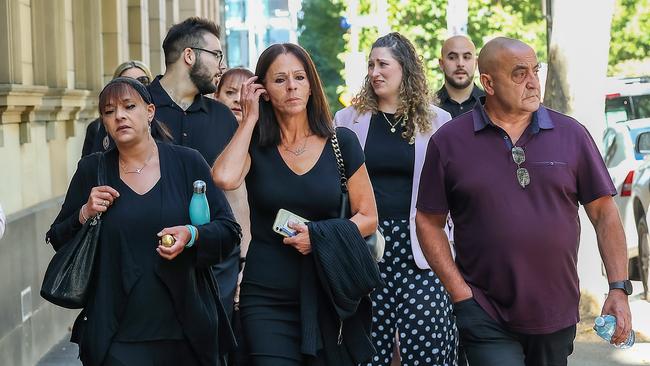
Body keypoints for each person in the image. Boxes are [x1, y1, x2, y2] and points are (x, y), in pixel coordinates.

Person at [416, 37, 632, 366]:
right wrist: (459, 292)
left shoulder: (571, 135)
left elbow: (604, 214)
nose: (533, 82)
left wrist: (618, 288)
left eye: (535, 70)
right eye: (519, 73)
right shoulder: (449, 141)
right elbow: (427, 221)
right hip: (484, 309)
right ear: (487, 82)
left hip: (555, 311)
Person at [46, 77, 241, 365]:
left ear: (149, 111)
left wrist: (191, 234)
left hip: (184, 330)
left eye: (128, 106)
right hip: (116, 334)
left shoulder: (188, 163)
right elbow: (58, 237)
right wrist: (84, 212)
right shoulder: (93, 170)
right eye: (109, 111)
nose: (119, 116)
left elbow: (228, 230)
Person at [212, 43, 380, 365]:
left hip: (329, 290)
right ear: (262, 90)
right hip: (266, 296)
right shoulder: (257, 145)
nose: (291, 86)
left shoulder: (341, 142)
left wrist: (318, 236)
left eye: (299, 77)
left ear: (311, 84)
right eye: (279, 80)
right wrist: (249, 120)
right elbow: (223, 177)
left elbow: (369, 217)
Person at [334, 32, 457, 366]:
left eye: (383, 64)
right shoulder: (347, 121)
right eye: (371, 64)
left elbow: (452, 193)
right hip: (367, 246)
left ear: (405, 69)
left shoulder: (438, 122)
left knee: (428, 344)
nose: (375, 71)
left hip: (422, 246)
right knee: (370, 350)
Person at [149, 17, 241, 323]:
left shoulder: (223, 117)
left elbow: (236, 197)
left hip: (213, 269)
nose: (221, 66)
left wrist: (239, 261)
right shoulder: (137, 109)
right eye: (216, 55)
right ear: (190, 55)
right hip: (150, 265)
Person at [214, 67, 255, 365]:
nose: (238, 100)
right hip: (218, 262)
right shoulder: (209, 143)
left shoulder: (265, 141)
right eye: (230, 92)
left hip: (257, 262)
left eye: (245, 94)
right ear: (215, 96)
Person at [82, 60, 153, 156]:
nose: (134, 87)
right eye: (126, 83)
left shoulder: (166, 122)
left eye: (142, 81)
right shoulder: (96, 128)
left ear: (150, 111)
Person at [436, 35, 484, 118]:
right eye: (452, 58)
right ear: (441, 63)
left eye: (466, 57)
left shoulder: (490, 104)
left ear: (476, 63)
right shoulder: (428, 107)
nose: (460, 64)